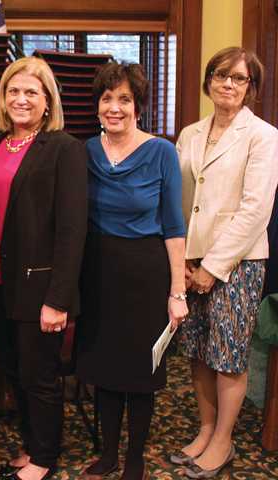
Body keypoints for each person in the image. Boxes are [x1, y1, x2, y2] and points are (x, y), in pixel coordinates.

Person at [75, 62, 187, 480]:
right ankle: (107, 455)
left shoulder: (161, 152)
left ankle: (135, 458)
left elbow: (174, 227)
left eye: (124, 99)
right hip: (98, 272)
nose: (114, 107)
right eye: (107, 98)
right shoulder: (84, 151)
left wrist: (177, 292)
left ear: (138, 105)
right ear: (98, 105)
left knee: (142, 373)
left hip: (145, 272)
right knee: (105, 370)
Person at [0, 56, 88, 480]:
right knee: (13, 371)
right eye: (13, 91)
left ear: (47, 101)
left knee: (38, 376)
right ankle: (31, 444)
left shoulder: (64, 148)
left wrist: (58, 298)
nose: (20, 99)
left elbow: (72, 229)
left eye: (31, 92)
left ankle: (45, 456)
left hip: (40, 287)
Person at [174, 47, 278, 479]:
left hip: (236, 263)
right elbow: (178, 199)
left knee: (228, 354)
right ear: (209, 80)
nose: (229, 84)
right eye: (221, 75)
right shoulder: (190, 133)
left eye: (240, 78)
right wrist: (179, 258)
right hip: (190, 258)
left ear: (251, 87)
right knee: (198, 348)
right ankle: (205, 429)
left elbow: (256, 210)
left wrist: (212, 267)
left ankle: (223, 441)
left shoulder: (263, 136)